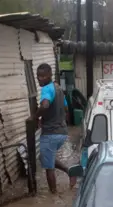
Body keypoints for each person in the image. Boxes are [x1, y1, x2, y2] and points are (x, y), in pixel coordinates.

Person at [32, 63, 76, 194]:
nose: (40, 79)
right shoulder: (58, 88)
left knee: (48, 167)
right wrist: (61, 121)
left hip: (50, 134)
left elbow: (45, 105)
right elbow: (66, 108)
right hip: (62, 133)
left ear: (49, 75)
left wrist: (35, 117)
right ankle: (69, 172)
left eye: (43, 76)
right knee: (44, 158)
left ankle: (54, 195)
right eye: (38, 76)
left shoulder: (47, 89)